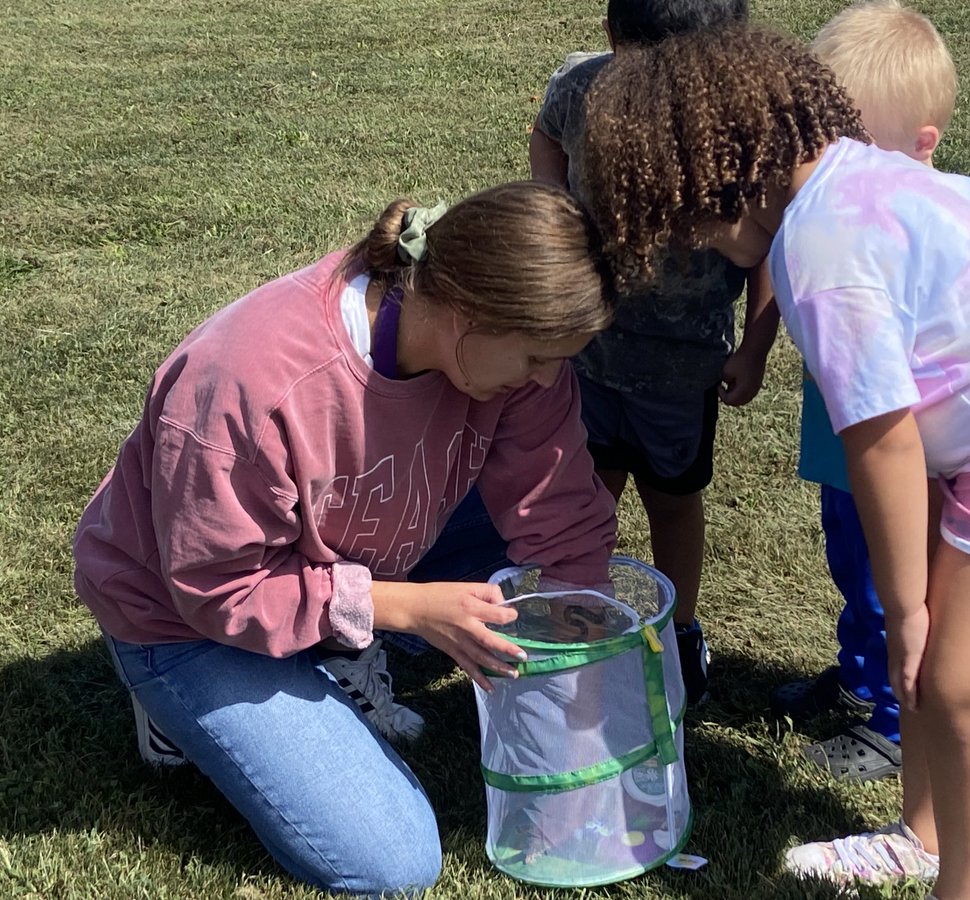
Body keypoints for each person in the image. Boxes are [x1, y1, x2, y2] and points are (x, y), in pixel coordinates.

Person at [579, 26, 970, 900]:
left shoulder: (820, 252)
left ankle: (966, 888)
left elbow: (883, 439)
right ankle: (921, 839)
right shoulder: (851, 175)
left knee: (960, 684)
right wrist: (911, 609)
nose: (690, 242)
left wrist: (904, 609)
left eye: (680, 218)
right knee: (926, 663)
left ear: (718, 177)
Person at [73, 181, 619, 896]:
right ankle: (178, 700)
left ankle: (336, 636)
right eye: (537, 358)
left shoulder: (510, 362)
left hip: (338, 537)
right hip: (185, 615)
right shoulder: (250, 381)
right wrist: (406, 608)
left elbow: (564, 518)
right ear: (471, 314)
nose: (548, 379)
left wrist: (581, 719)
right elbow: (215, 587)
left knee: (537, 538)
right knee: (393, 861)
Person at [529, 0, 777, 706]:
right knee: (585, 498)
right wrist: (554, 199)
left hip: (682, 368)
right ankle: (577, 622)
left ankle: (680, 630)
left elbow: (769, 246)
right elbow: (547, 133)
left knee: (673, 501)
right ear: (614, 39)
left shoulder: (738, 125)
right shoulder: (582, 87)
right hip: (586, 353)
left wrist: (756, 344)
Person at [769, 0, 958, 783]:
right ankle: (857, 672)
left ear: (921, 146)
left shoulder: (928, 224)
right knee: (849, 557)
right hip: (838, 431)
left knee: (891, 577)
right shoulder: (831, 213)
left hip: (897, 446)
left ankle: (892, 719)